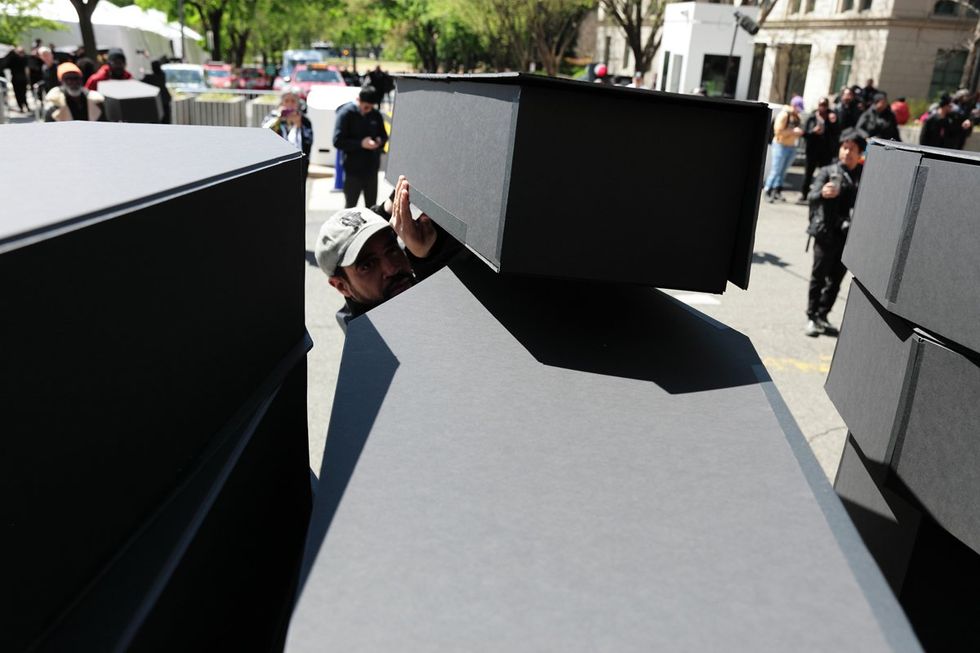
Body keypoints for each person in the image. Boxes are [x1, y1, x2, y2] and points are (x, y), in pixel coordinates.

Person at [315, 176, 459, 329]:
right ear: (341, 286)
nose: (391, 269)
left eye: (392, 250)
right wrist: (428, 259)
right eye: (368, 265)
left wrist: (390, 206)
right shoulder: (374, 337)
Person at [804, 128, 867, 337]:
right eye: (844, 147)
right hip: (826, 233)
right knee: (818, 277)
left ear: (860, 154)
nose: (847, 152)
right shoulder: (828, 171)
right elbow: (812, 195)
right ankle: (811, 316)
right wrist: (823, 193)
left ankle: (823, 315)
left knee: (836, 281)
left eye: (852, 149)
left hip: (848, 237)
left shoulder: (864, 174)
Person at [333, 85, 387, 208]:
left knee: (372, 208)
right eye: (366, 107)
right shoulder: (346, 114)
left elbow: (383, 135)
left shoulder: (375, 114)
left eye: (371, 107)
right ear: (359, 100)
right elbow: (337, 141)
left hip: (371, 169)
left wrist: (379, 141)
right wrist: (360, 144)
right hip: (353, 170)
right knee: (350, 208)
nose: (368, 110)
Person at [262, 88, 314, 179]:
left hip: (297, 165)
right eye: (286, 101)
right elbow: (264, 133)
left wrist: (299, 126)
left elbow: (308, 142)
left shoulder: (304, 120)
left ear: (298, 104)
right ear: (281, 103)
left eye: (293, 101)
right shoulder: (273, 117)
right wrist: (278, 118)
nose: (289, 104)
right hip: (276, 163)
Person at [799, 96, 840, 203]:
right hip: (812, 151)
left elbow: (836, 133)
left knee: (824, 174)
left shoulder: (832, 117)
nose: (822, 107)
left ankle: (821, 195)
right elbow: (804, 133)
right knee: (808, 174)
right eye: (821, 105)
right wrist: (813, 131)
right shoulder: (812, 117)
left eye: (825, 105)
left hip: (826, 152)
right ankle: (804, 194)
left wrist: (833, 122)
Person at [763, 95, 805, 202]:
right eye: (798, 108)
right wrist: (793, 132)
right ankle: (767, 190)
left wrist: (798, 132)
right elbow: (778, 132)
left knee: (783, 171)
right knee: (776, 170)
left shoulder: (797, 117)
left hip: (791, 146)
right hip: (780, 145)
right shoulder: (784, 115)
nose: (799, 111)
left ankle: (777, 190)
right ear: (793, 105)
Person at [141, 58, 172, 124]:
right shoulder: (162, 75)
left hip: (159, 102)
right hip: (164, 101)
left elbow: (143, 81)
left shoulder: (151, 78)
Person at [2, 46, 30, 112]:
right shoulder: (13, 59)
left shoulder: (25, 59)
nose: (21, 53)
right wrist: (11, 53)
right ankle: (21, 107)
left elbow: (27, 69)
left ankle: (26, 106)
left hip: (23, 79)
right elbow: (5, 64)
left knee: (23, 94)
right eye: (20, 52)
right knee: (18, 94)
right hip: (16, 80)